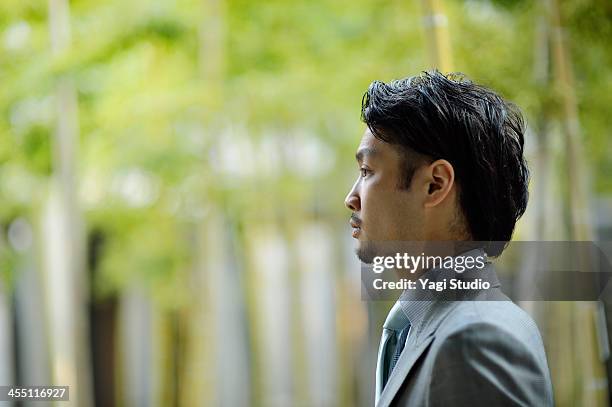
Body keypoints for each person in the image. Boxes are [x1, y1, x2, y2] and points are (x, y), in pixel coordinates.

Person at [344, 71, 554, 406]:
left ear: (435, 184)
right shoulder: (424, 324)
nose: (351, 198)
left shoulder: (476, 340)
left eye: (367, 172)